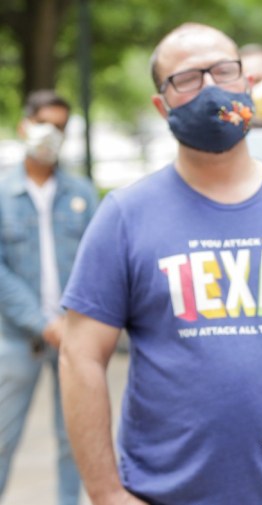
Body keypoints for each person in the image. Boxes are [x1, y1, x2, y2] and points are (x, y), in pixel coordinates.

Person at [58, 23, 262, 505]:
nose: (211, 86)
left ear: (248, 83)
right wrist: (106, 492)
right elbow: (80, 356)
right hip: (167, 493)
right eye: (187, 78)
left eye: (223, 70)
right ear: (162, 104)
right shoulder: (125, 215)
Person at [0, 90, 96, 505]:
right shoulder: (4, 194)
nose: (51, 134)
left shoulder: (82, 193)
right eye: (44, 124)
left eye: (60, 126)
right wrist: (43, 324)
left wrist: (70, 324)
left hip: (73, 336)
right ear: (25, 126)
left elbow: (97, 262)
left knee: (74, 440)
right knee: (3, 437)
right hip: (15, 338)